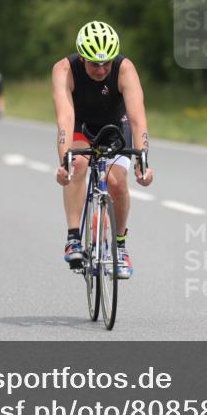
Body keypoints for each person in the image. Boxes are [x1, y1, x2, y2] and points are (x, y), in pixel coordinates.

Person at [52, 21, 154, 279]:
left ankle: (120, 246)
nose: (101, 69)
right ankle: (74, 238)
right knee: (77, 165)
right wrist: (64, 160)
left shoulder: (125, 69)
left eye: (106, 63)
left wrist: (143, 160)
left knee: (117, 182)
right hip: (81, 126)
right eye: (94, 63)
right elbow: (64, 118)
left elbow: (138, 119)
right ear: (82, 57)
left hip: (115, 127)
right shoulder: (65, 69)